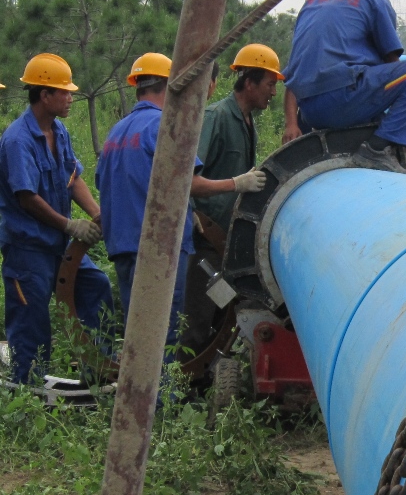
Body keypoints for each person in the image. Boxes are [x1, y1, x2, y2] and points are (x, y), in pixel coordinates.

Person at [95, 52, 266, 351]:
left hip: (121, 247)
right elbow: (188, 182)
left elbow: (104, 183)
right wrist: (237, 184)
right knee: (164, 335)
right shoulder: (165, 126)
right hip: (159, 249)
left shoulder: (116, 132)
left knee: (137, 333)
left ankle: (136, 396)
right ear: (174, 85)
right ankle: (164, 398)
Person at [0, 53, 113, 383]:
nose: (70, 97)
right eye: (63, 91)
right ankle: (28, 392)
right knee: (31, 321)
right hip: (28, 249)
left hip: (60, 245)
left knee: (96, 287)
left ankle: (100, 372)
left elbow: (73, 175)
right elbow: (26, 197)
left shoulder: (58, 130)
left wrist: (95, 213)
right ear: (43, 94)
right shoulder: (18, 139)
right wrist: (68, 224)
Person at [281, 0, 406, 172]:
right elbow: (391, 60)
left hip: (310, 112)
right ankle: (377, 150)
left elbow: (294, 75)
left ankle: (300, 163)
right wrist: (402, 106)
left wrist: (291, 124)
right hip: (345, 99)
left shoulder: (313, 2)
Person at [182, 43, 284, 357]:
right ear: (249, 82)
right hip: (205, 240)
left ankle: (201, 381)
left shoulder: (248, 123)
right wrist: (235, 184)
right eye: (269, 84)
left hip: (226, 241)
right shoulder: (217, 117)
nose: (273, 93)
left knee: (220, 313)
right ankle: (180, 385)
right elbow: (187, 181)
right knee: (197, 316)